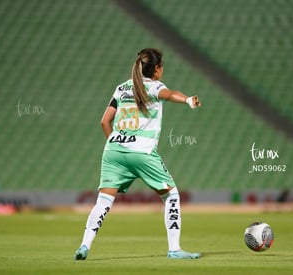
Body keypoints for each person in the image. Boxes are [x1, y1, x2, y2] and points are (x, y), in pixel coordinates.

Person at [74, 48, 201, 260]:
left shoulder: (122, 87)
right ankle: (174, 249)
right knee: (171, 195)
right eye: (162, 67)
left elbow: (104, 121)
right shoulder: (154, 86)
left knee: (104, 201)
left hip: (113, 149)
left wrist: (118, 145)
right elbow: (168, 95)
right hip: (141, 151)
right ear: (157, 69)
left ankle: (84, 246)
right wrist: (188, 100)